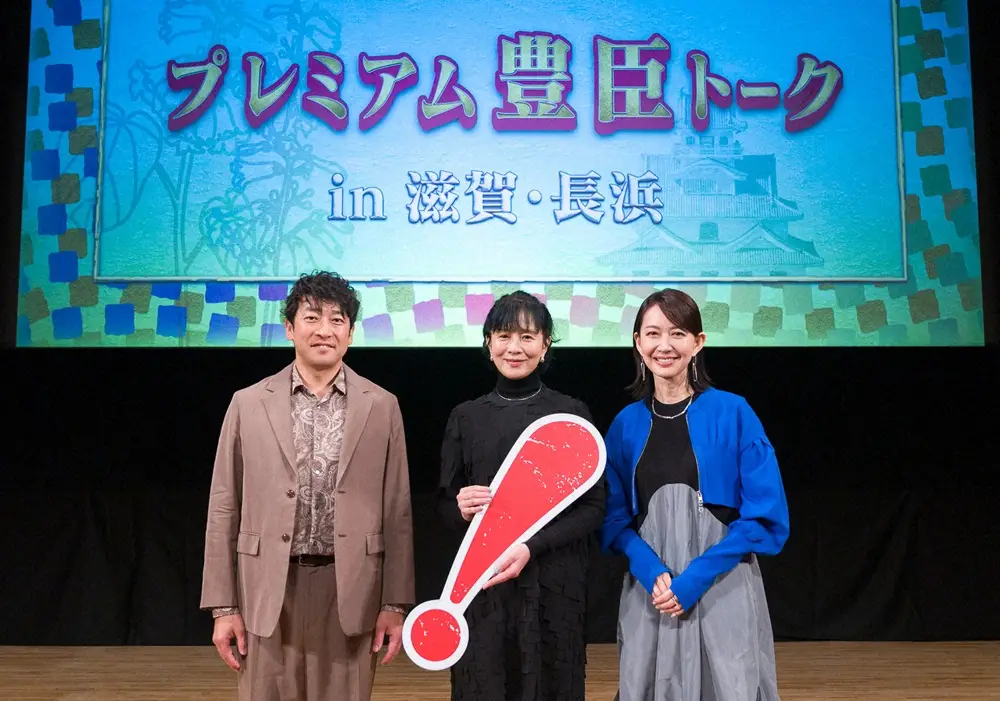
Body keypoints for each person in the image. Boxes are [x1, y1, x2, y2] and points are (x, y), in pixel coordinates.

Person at [200, 271, 415, 701]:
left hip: (352, 588)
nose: (324, 330)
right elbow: (224, 505)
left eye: (337, 320)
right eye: (312, 318)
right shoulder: (248, 403)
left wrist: (395, 603)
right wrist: (223, 607)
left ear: (350, 333)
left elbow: (398, 510)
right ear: (289, 328)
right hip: (267, 589)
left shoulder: (382, 405)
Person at [601, 288, 789, 701]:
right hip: (653, 593)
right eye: (653, 333)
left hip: (723, 585)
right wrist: (652, 571)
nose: (664, 345)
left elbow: (764, 514)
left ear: (698, 342)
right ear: (638, 342)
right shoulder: (624, 425)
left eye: (677, 333)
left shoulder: (734, 412)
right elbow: (613, 519)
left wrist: (696, 578)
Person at [437, 291, 606, 701]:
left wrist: (533, 547)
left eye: (528, 337)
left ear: (545, 345)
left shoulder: (571, 413)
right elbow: (442, 507)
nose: (515, 348)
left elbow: (594, 507)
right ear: (488, 343)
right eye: (504, 336)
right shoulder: (466, 416)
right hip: (485, 588)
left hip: (553, 586)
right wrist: (459, 508)